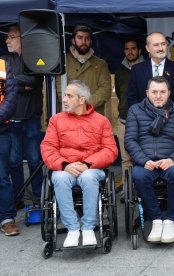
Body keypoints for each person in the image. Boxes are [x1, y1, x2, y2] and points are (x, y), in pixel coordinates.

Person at [40, 80, 118, 247]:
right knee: (59, 178)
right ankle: (73, 229)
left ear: (82, 100)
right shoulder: (56, 120)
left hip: (92, 168)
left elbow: (110, 150)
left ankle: (89, 228)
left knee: (89, 177)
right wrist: (64, 165)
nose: (65, 100)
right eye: (65, 95)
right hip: (65, 167)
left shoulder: (101, 121)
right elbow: (48, 148)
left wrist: (88, 164)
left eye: (69, 96)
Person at [124, 76, 174, 243]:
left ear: (169, 93)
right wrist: (143, 160)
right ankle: (155, 219)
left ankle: (169, 220)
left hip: (170, 162)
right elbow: (130, 140)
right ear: (147, 93)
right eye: (154, 92)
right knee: (139, 176)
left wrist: (172, 159)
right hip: (146, 162)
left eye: (162, 92)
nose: (158, 96)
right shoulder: (135, 110)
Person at [4, 25, 44, 209]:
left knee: (35, 159)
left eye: (11, 37)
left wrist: (13, 81)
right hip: (10, 120)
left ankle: (39, 197)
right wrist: (19, 84)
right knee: (14, 161)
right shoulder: (4, 59)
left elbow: (34, 81)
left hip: (31, 119)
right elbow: (3, 83)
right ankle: (17, 197)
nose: (7, 40)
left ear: (22, 38)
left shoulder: (35, 58)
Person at [56, 25, 111, 116]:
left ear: (91, 41)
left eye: (87, 38)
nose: (84, 42)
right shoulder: (63, 62)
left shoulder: (101, 64)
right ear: (73, 41)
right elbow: (59, 89)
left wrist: (84, 104)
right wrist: (74, 105)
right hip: (68, 115)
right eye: (80, 38)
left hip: (93, 116)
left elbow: (105, 91)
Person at [115, 38, 144, 201]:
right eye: (127, 49)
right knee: (126, 159)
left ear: (140, 51)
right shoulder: (120, 71)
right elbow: (120, 95)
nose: (130, 51)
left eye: (133, 48)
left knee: (142, 158)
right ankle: (127, 191)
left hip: (145, 122)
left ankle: (142, 190)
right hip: (124, 120)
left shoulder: (147, 68)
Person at [127, 32, 174, 108]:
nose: (161, 48)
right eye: (156, 45)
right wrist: (142, 115)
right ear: (147, 48)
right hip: (143, 118)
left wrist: (167, 114)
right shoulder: (137, 70)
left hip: (171, 117)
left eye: (163, 44)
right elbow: (132, 97)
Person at [0, 56, 19, 236]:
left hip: (0, 130)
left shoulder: (2, 65)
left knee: (2, 177)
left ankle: (7, 219)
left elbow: (11, 96)